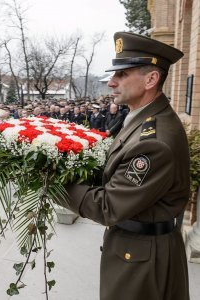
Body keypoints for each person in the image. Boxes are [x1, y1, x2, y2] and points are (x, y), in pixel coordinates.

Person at [62, 32, 190, 300]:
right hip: (138, 250)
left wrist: (52, 184)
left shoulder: (154, 142)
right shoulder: (142, 118)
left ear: (151, 79)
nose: (111, 83)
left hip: (143, 260)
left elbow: (109, 206)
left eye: (121, 75)